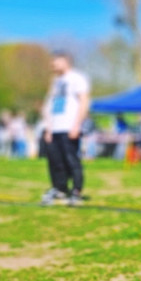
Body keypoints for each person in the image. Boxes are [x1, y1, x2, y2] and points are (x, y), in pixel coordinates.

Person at [39, 51, 90, 206]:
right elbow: (49, 104)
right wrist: (48, 128)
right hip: (54, 128)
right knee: (55, 162)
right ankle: (59, 189)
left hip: (69, 127)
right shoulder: (55, 81)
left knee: (71, 160)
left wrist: (77, 125)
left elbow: (84, 101)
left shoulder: (77, 78)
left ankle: (76, 191)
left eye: (56, 61)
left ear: (66, 61)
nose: (53, 64)